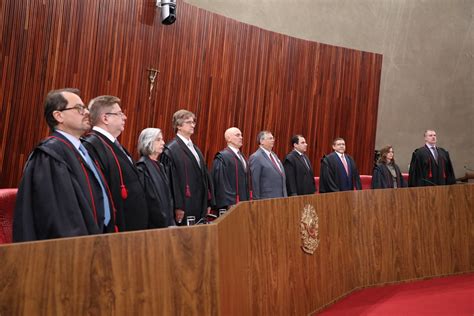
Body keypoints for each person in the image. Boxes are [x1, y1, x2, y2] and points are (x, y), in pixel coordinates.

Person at [13, 88, 114, 241]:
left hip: (98, 240)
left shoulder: (82, 151)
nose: (87, 112)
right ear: (58, 116)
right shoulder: (51, 155)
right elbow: (61, 216)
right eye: (79, 108)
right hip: (73, 250)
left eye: (85, 107)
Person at [82, 95, 149, 231]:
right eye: (119, 113)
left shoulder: (114, 145)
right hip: (119, 226)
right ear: (105, 118)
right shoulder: (92, 146)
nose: (124, 117)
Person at [160, 109, 214, 225]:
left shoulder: (195, 149)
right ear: (178, 125)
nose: (193, 125)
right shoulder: (170, 150)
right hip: (185, 205)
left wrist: (208, 201)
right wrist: (177, 206)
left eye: (193, 122)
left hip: (199, 203)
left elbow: (204, 176)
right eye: (188, 122)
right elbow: (170, 181)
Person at [136, 128, 175, 228]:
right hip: (153, 226)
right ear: (147, 142)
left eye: (162, 139)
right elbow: (146, 202)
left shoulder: (160, 166)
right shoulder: (142, 168)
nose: (163, 142)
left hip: (166, 222)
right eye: (158, 140)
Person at [211, 127, 251, 211]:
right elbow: (221, 183)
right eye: (237, 135)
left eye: (241, 135)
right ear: (228, 138)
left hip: (244, 203)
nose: (241, 137)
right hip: (231, 206)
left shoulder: (242, 157)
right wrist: (229, 203)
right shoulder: (222, 157)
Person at [249, 131, 287, 199]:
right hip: (266, 199)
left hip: (281, 198)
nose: (273, 140)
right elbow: (255, 182)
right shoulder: (256, 157)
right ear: (262, 141)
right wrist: (257, 201)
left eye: (273, 138)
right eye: (270, 138)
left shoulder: (274, 155)